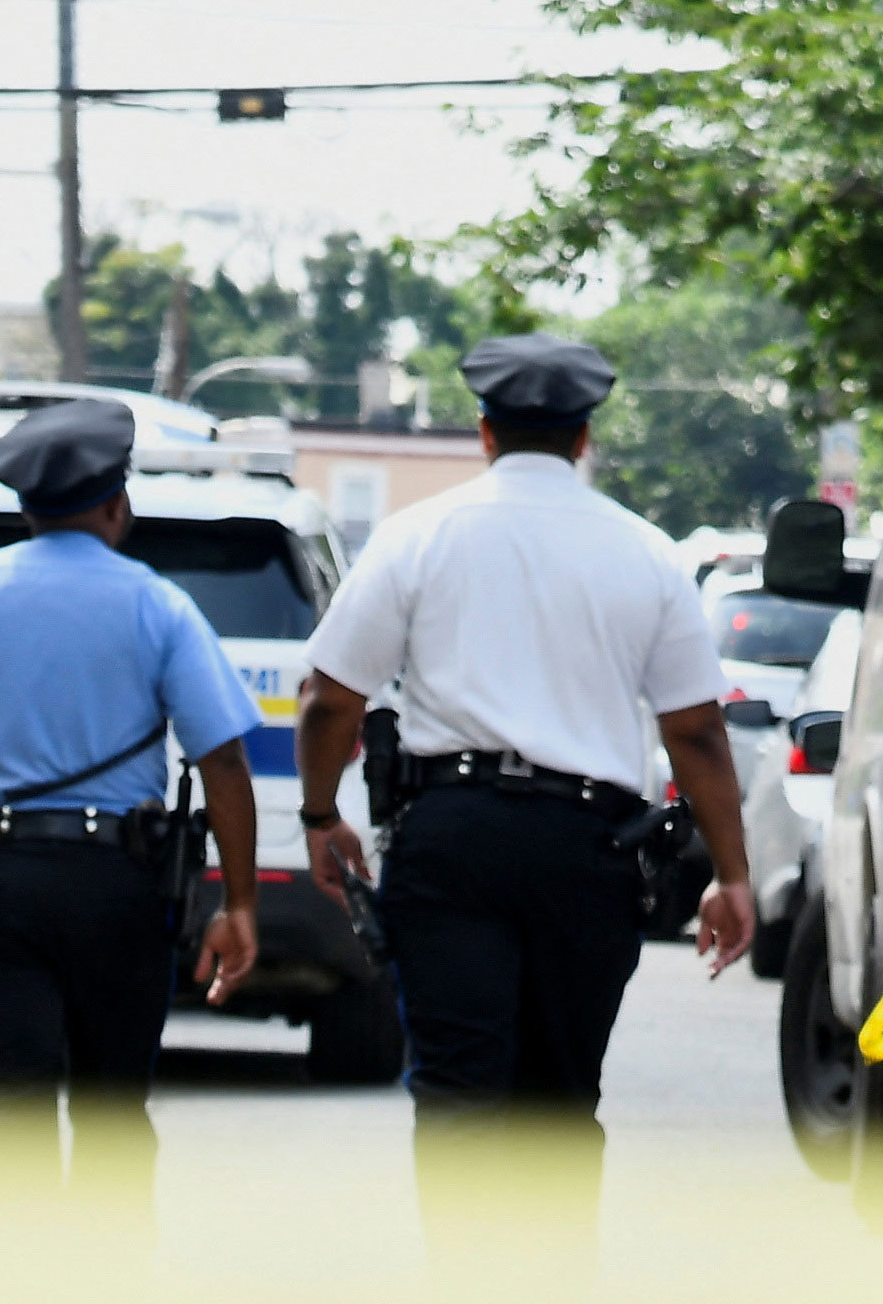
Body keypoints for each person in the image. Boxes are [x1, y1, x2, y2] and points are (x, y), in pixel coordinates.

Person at [291, 333, 753, 1200]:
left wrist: (322, 818)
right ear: (582, 440)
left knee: (459, 1099)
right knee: (559, 1104)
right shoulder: (647, 552)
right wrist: (730, 873)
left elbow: (329, 699)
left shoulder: (416, 535)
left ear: (484, 432)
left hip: (450, 841)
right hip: (590, 851)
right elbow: (695, 731)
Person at [0, 397, 263, 1210]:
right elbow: (223, 760)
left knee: (2, 1103)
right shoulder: (158, 605)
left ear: (23, 507)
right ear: (118, 504)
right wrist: (239, 902)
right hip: (119, 883)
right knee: (112, 1107)